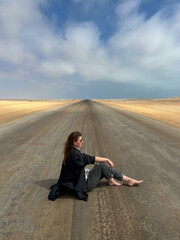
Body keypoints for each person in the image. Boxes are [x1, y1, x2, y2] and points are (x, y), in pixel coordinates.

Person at [48, 131, 143, 201]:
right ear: (74, 142)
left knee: (102, 166)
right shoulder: (75, 155)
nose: (82, 142)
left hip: (81, 178)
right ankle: (124, 180)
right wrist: (107, 159)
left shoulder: (69, 152)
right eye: (80, 140)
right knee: (102, 165)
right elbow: (90, 158)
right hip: (84, 185)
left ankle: (115, 179)